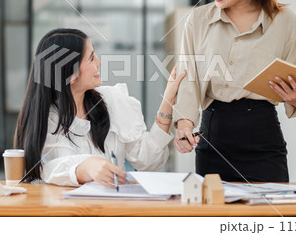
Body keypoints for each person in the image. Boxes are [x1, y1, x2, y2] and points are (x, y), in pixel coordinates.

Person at [173, 0, 296, 182]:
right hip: (213, 142)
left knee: (270, 218)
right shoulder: (197, 22)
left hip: (264, 145)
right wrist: (184, 125)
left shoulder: (283, 21)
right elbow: (189, 81)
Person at [14, 28, 186, 188]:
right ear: (71, 75)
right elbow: (49, 169)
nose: (99, 62)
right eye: (91, 58)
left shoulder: (112, 100)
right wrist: (85, 167)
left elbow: (149, 160)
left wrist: (168, 99)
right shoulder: (47, 120)